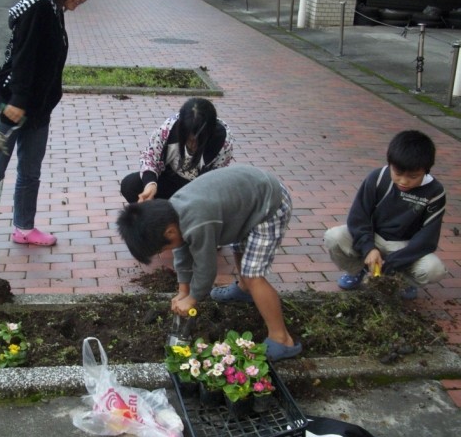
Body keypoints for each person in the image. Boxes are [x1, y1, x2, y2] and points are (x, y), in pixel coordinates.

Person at [0, 0, 95, 254]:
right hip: (9, 109)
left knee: (30, 172)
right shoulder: (39, 7)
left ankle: (24, 228)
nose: (80, 3)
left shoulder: (55, 9)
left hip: (37, 113)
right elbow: (23, 55)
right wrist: (17, 100)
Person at [116, 165, 302, 362]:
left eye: (162, 249)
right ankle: (245, 290)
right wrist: (183, 290)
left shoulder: (198, 222)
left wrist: (193, 298)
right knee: (241, 249)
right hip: (247, 201)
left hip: (269, 204)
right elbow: (181, 251)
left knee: (253, 275)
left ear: (169, 232)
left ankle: (282, 339)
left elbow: (206, 268)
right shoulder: (171, 214)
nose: (165, 252)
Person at [324, 130, 447, 300]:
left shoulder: (435, 192)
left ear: (426, 170)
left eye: (413, 176)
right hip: (374, 236)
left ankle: (403, 281)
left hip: (404, 245)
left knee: (434, 269)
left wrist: (393, 262)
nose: (404, 181)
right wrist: (369, 248)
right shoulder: (378, 178)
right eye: (398, 173)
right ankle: (357, 270)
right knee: (334, 236)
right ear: (390, 164)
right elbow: (359, 217)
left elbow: (427, 238)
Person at [120, 97, 234, 203]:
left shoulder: (222, 141)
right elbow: (150, 156)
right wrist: (150, 184)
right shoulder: (169, 128)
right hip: (169, 178)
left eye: (198, 140)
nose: (192, 145)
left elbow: (215, 179)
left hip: (198, 189)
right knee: (130, 185)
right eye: (188, 139)